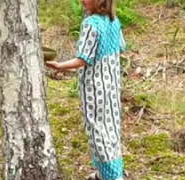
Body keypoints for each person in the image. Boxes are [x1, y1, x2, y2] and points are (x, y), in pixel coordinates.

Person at [46, 0, 126, 179]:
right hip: (112, 87)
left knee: (97, 130)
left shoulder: (90, 24)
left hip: (95, 89)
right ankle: (107, 172)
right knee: (112, 128)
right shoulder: (114, 21)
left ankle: (112, 175)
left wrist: (59, 66)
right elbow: (121, 47)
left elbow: (83, 59)